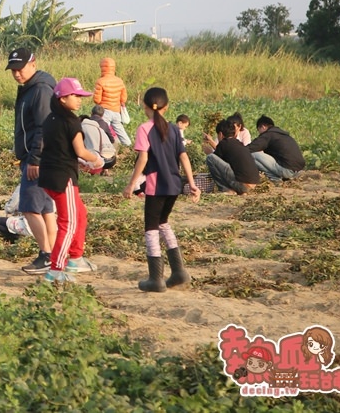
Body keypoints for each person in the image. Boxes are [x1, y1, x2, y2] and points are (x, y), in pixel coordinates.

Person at [123, 87, 201, 293]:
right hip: (175, 184)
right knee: (163, 222)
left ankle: (155, 278)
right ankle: (178, 271)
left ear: (144, 106)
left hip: (156, 185)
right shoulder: (175, 129)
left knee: (151, 228)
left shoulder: (144, 129)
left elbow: (143, 159)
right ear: (166, 107)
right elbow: (183, 157)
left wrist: (131, 185)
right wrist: (192, 184)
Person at [34, 78, 103, 283]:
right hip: (63, 178)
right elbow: (81, 150)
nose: (80, 100)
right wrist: (97, 159)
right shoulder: (72, 122)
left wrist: (79, 161)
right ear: (63, 98)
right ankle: (56, 269)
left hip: (48, 175)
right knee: (69, 222)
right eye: (75, 96)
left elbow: (54, 149)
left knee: (80, 213)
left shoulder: (50, 120)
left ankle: (76, 258)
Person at [6, 47, 59, 274]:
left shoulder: (40, 90)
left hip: (38, 159)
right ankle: (55, 255)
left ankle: (46, 255)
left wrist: (35, 159)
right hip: (38, 158)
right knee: (46, 209)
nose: (17, 73)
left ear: (33, 64)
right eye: (13, 70)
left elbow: (43, 127)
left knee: (29, 209)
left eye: (20, 68)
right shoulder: (30, 88)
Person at [202, 119, 259, 195]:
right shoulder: (238, 143)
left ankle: (225, 189)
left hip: (242, 185)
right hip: (253, 184)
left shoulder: (223, 144)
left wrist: (209, 152)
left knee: (210, 158)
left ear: (220, 134)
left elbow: (216, 162)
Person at [247, 115, 305, 182]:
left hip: (287, 170)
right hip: (298, 170)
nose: (259, 134)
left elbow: (250, 148)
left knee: (252, 155)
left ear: (263, 127)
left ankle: (274, 178)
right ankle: (284, 177)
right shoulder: (283, 135)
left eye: (258, 130)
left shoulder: (268, 135)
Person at [93, 57, 131, 146]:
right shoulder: (119, 81)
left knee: (102, 130)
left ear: (102, 68)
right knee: (120, 129)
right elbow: (123, 99)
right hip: (116, 111)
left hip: (104, 111)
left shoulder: (100, 81)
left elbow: (97, 100)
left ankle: (104, 147)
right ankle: (128, 145)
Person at [80, 105, 118, 175]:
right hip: (111, 159)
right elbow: (112, 140)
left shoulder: (84, 127)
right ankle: (105, 171)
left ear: (91, 113)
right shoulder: (104, 124)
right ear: (102, 115)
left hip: (99, 159)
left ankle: (93, 172)